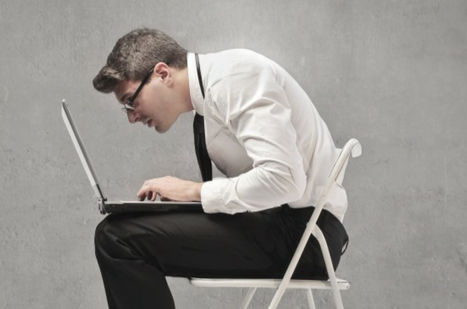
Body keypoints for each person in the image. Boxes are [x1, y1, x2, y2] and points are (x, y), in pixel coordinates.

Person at [92, 28, 348, 309]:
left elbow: (284, 179)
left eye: (131, 100)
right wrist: (175, 207)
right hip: (279, 224)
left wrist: (192, 191)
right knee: (119, 230)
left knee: (117, 237)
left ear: (163, 74)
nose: (131, 117)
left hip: (305, 238)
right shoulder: (212, 91)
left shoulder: (236, 77)